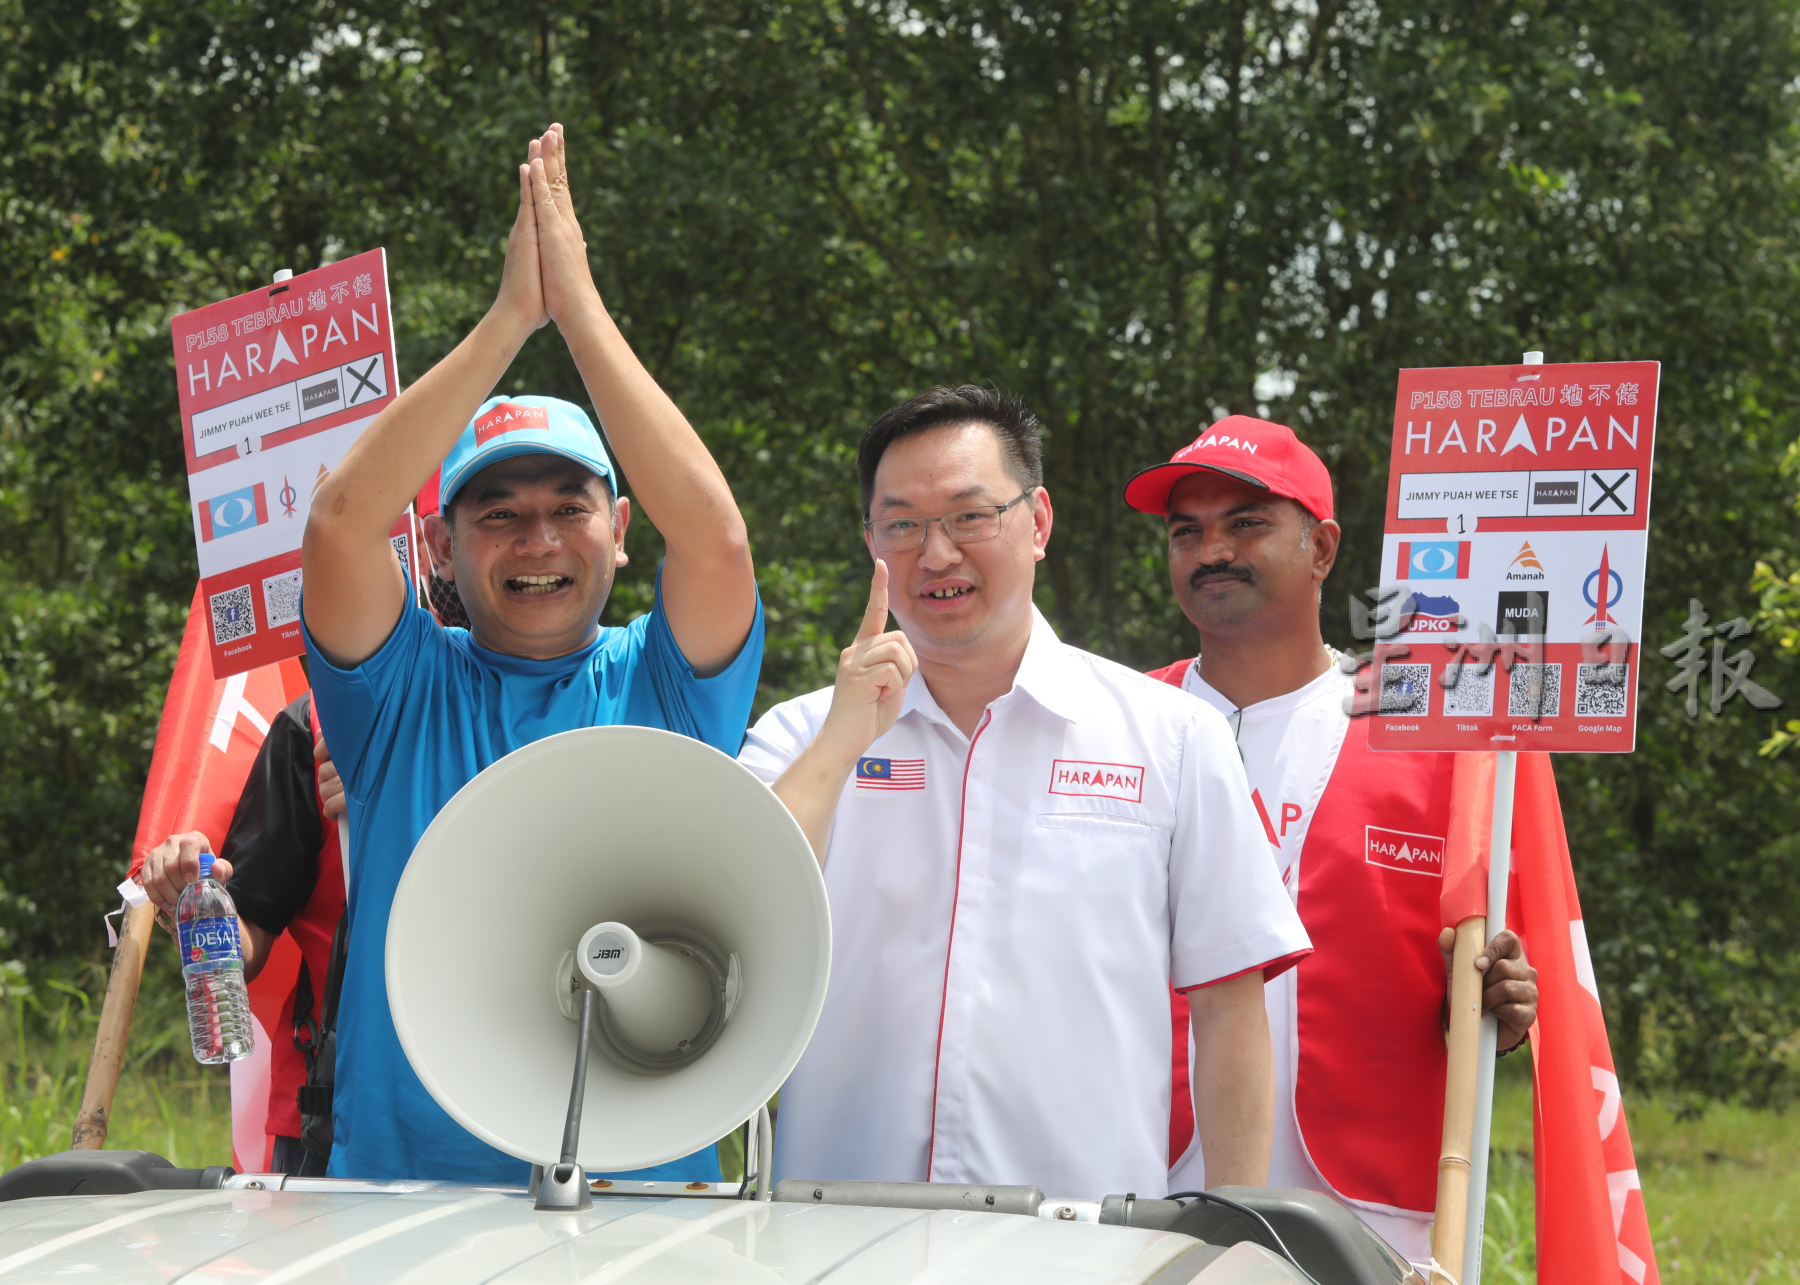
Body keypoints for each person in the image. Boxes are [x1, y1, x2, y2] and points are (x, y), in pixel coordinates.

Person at [300, 124, 763, 1183]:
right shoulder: (398, 694)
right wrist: (512, 317)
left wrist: (580, 310)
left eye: (569, 506)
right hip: (406, 1195)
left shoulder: (666, 681)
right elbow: (335, 525)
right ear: (439, 545)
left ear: (622, 526)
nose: (539, 540)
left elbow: (720, 540)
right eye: (497, 513)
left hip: (645, 1198)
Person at [739, 385, 1311, 1199]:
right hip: (834, 1233)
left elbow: (1229, 1007)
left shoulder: (1172, 738)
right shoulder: (801, 738)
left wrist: (1234, 1230)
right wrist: (843, 741)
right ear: (870, 539)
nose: (936, 554)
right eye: (901, 524)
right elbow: (734, 925)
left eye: (970, 516)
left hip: (1083, 1245)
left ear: (1038, 521)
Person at [1123, 415, 1540, 1263]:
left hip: (1367, 1205)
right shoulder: (1118, 724)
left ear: (1320, 548)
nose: (1212, 551)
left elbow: (1490, 977)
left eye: (1246, 523)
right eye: (1186, 531)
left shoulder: (1428, 731)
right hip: (1142, 1181)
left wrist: (1500, 1006)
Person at [139, 696, 347, 1176]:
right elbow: (247, 939)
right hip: (331, 1110)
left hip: (524, 1095)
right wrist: (191, 896)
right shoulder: (316, 726)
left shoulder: (547, 709)